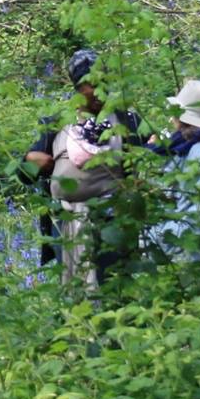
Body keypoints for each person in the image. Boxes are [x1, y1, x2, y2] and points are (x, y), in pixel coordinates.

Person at [43, 49, 148, 290]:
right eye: (92, 84)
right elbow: (25, 170)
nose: (99, 90)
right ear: (78, 88)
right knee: (76, 294)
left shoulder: (127, 121)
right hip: (69, 222)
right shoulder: (57, 122)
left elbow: (150, 156)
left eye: (104, 82)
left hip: (115, 220)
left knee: (116, 287)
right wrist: (34, 161)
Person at [144, 79, 200, 269]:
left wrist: (166, 235)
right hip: (188, 255)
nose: (171, 119)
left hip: (197, 258)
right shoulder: (185, 146)